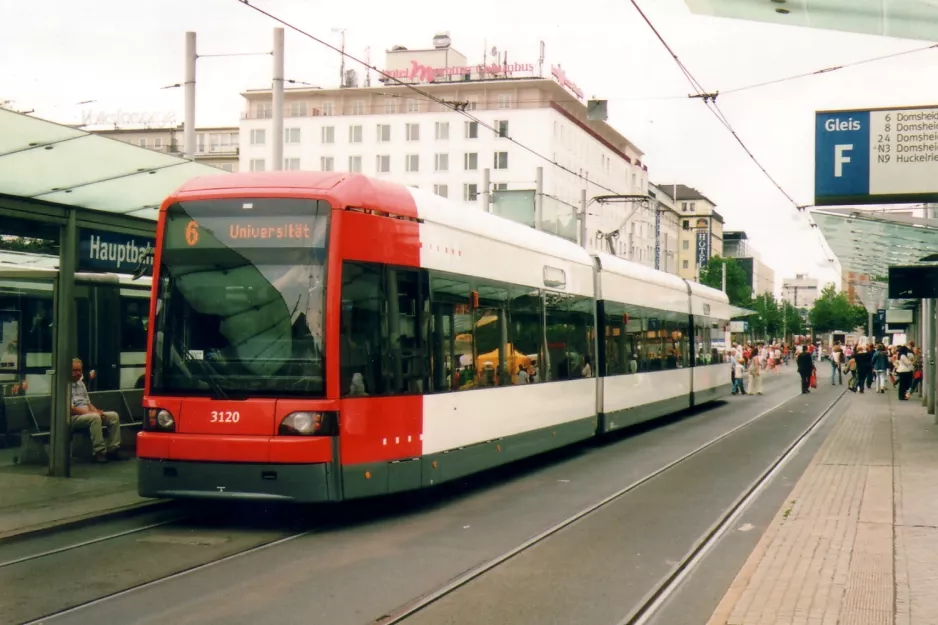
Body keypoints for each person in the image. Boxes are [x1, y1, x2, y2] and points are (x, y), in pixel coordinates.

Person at [70, 358, 123, 463]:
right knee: (95, 418)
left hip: (87, 414)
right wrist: (93, 413)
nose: (78, 373)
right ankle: (99, 452)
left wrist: (98, 411)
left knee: (113, 416)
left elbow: (88, 403)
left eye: (80, 370)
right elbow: (71, 409)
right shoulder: (65, 386)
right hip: (74, 417)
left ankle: (113, 449)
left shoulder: (81, 384)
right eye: (75, 370)